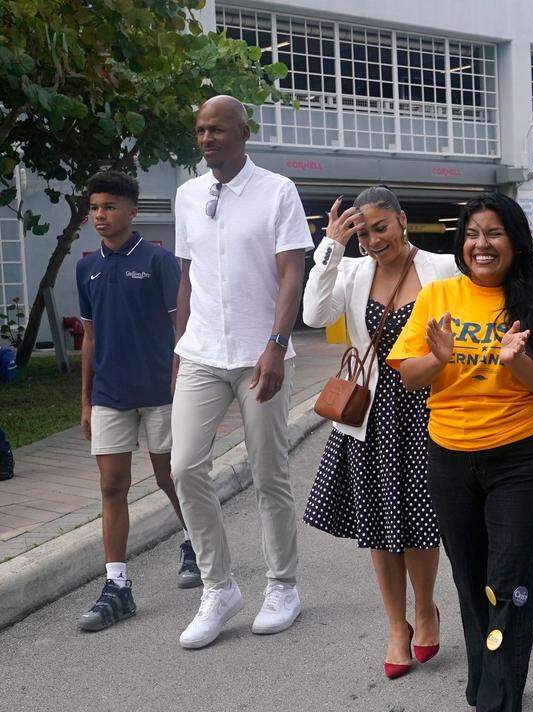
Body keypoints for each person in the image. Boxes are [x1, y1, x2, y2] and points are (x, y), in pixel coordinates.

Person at [389, 193, 533, 712]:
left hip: (520, 460)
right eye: (472, 233)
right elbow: (410, 378)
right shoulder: (439, 296)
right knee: (471, 581)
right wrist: (440, 358)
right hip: (449, 459)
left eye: (494, 233)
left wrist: (516, 362)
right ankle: (491, 675)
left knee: (507, 581)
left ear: (516, 241)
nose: (481, 243)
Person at [171, 95, 314, 649]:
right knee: (184, 467)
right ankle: (219, 587)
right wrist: (178, 348)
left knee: (268, 471)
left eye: (218, 130)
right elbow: (187, 279)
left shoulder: (277, 191)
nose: (207, 139)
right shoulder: (188, 195)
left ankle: (282, 585)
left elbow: (290, 274)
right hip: (202, 352)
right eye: (201, 130)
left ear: (244, 133)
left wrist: (277, 344)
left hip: (261, 354)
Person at [302, 186, 457, 678]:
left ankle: (426, 609)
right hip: (371, 412)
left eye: (380, 227)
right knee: (378, 524)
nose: (372, 239)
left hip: (427, 406)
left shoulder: (442, 267)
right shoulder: (350, 270)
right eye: (363, 231)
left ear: (402, 220)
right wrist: (331, 248)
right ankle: (396, 625)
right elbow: (314, 315)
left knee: (421, 519)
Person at [74, 171, 197, 633]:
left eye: (108, 206)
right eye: (94, 207)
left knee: (170, 477)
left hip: (159, 391)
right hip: (109, 393)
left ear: (132, 211)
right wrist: (86, 401)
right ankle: (117, 585)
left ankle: (194, 544)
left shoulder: (158, 261)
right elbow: (89, 336)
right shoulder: (86, 267)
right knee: (111, 486)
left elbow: (178, 326)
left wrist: (180, 382)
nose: (100, 215)